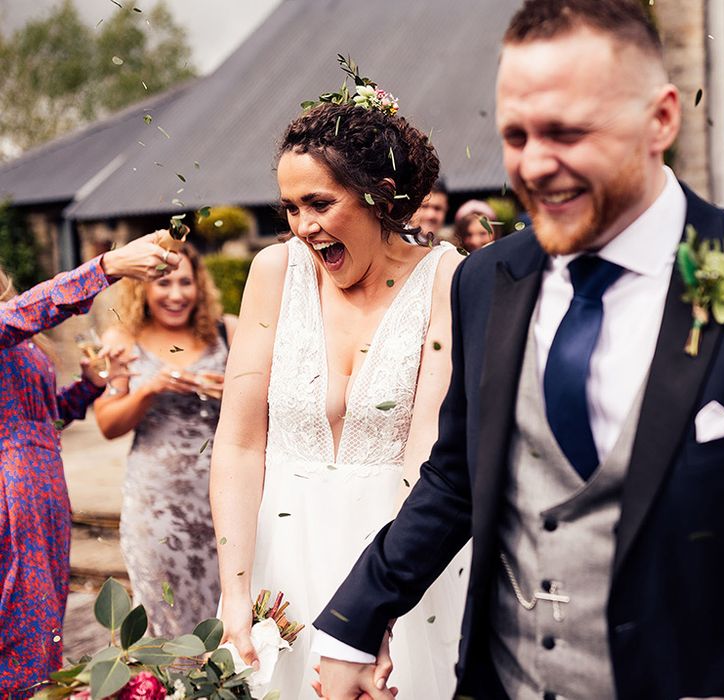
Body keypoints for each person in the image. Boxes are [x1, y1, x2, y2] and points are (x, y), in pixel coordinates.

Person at [314, 1, 724, 699]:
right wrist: (354, 619)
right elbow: (457, 476)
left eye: (566, 132)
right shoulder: (487, 279)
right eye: (517, 135)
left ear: (662, 119)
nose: (535, 165)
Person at [209, 83, 464, 698]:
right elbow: (240, 444)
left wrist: (382, 611)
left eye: (319, 203)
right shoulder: (274, 273)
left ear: (379, 195)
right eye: (290, 208)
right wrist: (236, 591)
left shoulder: (447, 278)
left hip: (399, 559)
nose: (303, 227)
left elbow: (425, 452)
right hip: (284, 558)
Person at [0, 234, 179, 697]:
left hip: (42, 491)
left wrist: (88, 386)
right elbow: (33, 308)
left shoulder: (16, 328)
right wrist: (108, 266)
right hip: (10, 496)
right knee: (21, 620)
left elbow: (41, 419)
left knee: (44, 617)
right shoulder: (12, 321)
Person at [93, 241, 235, 638]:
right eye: (163, 282)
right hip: (155, 506)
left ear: (199, 285)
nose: (176, 294)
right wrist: (148, 389)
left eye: (185, 282)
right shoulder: (124, 340)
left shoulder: (228, 330)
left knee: (227, 613)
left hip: (223, 497)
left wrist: (235, 392)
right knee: (164, 616)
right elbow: (107, 423)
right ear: (143, 288)